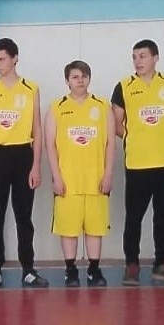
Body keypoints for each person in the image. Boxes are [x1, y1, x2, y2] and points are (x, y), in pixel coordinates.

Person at [112, 39, 164, 285]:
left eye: (142, 56)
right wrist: (138, 138)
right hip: (137, 163)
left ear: (155, 58)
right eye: (134, 57)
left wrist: (157, 137)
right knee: (134, 217)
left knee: (163, 216)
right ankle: (132, 265)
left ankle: (161, 263)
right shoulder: (123, 87)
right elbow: (117, 125)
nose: (138, 61)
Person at [0, 38, 48, 288]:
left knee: (24, 217)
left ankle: (28, 269)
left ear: (15, 58)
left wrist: (36, 164)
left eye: (2, 59)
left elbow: (37, 128)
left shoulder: (30, 88)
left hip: (23, 156)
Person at [45, 60, 116, 287]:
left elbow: (110, 144)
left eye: (84, 76)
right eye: (75, 77)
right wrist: (56, 177)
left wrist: (108, 175)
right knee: (69, 229)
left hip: (96, 179)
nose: (80, 80)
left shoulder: (102, 106)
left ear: (89, 79)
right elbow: (50, 144)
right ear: (67, 80)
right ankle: (71, 270)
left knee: (95, 229)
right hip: (68, 180)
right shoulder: (57, 107)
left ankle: (94, 270)